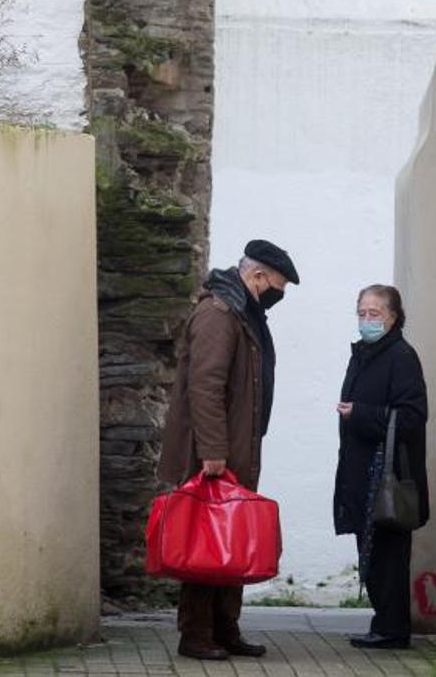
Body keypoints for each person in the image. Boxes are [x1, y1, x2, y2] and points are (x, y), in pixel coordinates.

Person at [156, 239, 299, 661]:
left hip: (237, 448)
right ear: (256, 276)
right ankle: (196, 633)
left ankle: (225, 628)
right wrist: (214, 451)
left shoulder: (242, 312)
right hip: (214, 453)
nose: (277, 295)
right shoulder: (219, 314)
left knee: (231, 539)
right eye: (276, 285)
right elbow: (206, 386)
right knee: (204, 542)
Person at [333, 284, 429, 649]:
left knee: (388, 554)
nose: (367, 320)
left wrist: (361, 414)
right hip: (363, 470)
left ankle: (392, 629)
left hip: (387, 476)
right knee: (372, 551)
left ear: (393, 317)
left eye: (375, 314)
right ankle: (385, 624)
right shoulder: (366, 354)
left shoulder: (400, 356)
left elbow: (412, 416)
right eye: (362, 313)